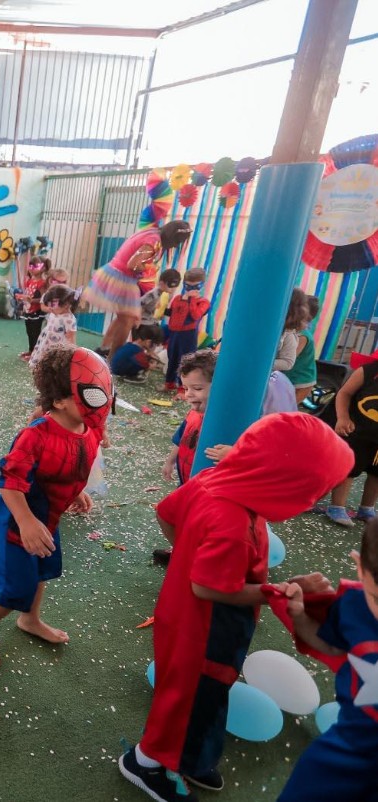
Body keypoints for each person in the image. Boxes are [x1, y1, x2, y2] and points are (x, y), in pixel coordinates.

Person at [118, 413, 352, 802]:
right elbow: (208, 588)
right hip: (205, 628)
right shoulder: (232, 522)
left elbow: (166, 513)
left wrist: (186, 556)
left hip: (184, 615)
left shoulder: (213, 480)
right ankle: (147, 761)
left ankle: (191, 756)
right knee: (188, 699)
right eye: (311, 492)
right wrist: (279, 590)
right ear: (284, 484)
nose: (310, 501)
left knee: (203, 694)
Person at [0, 346, 110, 669]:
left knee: (41, 571)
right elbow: (9, 482)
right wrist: (27, 521)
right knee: (14, 586)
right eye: (90, 394)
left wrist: (75, 492)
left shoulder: (88, 428)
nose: (100, 401)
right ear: (60, 401)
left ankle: (29, 619)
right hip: (20, 520)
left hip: (49, 514)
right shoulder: (35, 436)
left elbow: (71, 463)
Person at [272, 522, 378, 802]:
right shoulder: (354, 603)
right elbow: (328, 643)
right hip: (347, 748)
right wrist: (300, 615)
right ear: (360, 567)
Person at [156, 350, 228, 567]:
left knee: (199, 522)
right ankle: (183, 551)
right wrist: (170, 461)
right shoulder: (193, 415)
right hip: (186, 480)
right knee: (174, 516)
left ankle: (191, 556)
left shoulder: (225, 419)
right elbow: (181, 440)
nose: (189, 395)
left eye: (197, 389)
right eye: (186, 388)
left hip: (210, 488)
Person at [86, 220, 192, 358]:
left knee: (123, 318)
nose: (177, 245)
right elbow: (133, 265)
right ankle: (113, 359)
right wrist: (149, 268)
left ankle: (105, 349)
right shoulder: (153, 242)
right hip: (122, 278)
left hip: (116, 274)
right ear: (172, 238)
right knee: (128, 321)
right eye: (177, 242)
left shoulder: (152, 232)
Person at [325, 356, 378, 527]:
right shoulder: (368, 371)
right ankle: (337, 505)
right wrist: (342, 417)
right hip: (357, 432)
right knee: (349, 468)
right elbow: (345, 393)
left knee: (376, 474)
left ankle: (366, 508)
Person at [163, 267, 209, 391]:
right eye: (188, 287)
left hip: (188, 335)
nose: (191, 290)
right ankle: (169, 383)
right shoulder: (178, 298)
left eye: (195, 287)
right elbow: (170, 315)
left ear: (201, 286)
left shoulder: (203, 302)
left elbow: (195, 315)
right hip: (174, 333)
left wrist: (191, 299)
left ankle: (183, 389)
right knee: (172, 358)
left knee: (186, 362)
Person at [28, 285, 78, 368]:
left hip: (56, 350)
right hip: (45, 345)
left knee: (52, 369)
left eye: (53, 304)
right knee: (41, 367)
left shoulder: (69, 319)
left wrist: (72, 356)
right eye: (48, 304)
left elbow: (71, 339)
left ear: (66, 304)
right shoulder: (54, 313)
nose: (50, 308)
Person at [284, 295, 320, 405]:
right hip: (293, 378)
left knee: (285, 408)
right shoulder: (294, 332)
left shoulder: (302, 336)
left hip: (300, 382)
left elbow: (290, 357)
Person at [16, 257, 49, 360]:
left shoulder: (42, 283)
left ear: (43, 268)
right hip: (29, 311)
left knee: (35, 333)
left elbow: (44, 299)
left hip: (37, 312)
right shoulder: (29, 281)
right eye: (30, 266)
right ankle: (31, 351)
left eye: (35, 266)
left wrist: (31, 301)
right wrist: (22, 299)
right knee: (29, 331)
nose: (31, 268)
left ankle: (36, 353)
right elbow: (28, 295)